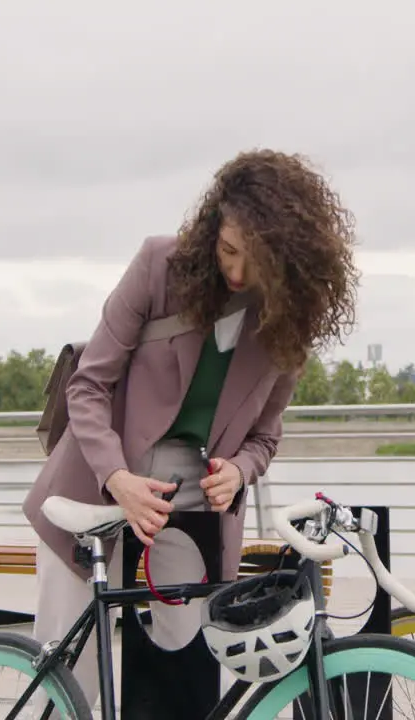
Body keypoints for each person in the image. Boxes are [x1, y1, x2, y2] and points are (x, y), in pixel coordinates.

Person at [20, 148, 359, 710]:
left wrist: (240, 470)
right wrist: (118, 479)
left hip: (192, 506)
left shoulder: (286, 330)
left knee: (190, 673)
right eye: (228, 251)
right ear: (211, 230)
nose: (236, 273)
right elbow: (87, 385)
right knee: (70, 678)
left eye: (257, 263)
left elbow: (265, 438)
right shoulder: (159, 265)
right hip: (97, 480)